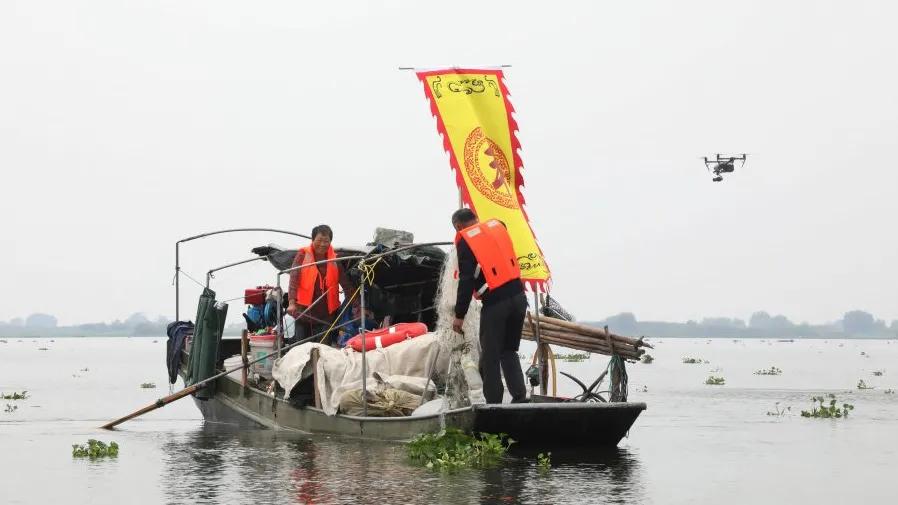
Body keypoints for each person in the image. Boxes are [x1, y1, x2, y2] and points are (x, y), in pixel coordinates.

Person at [451, 208, 528, 404]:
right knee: (509, 350)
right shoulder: (498, 227)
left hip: (496, 303)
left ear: (458, 227)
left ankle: (494, 406)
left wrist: (459, 314)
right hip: (519, 297)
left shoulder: (465, 240)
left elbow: (466, 280)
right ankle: (520, 398)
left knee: (491, 356)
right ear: (476, 218)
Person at [287, 225, 356, 346]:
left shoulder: (335, 259)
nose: (323, 244)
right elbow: (294, 278)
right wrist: (291, 303)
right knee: (301, 350)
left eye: (326, 241)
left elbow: (345, 284)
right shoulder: (302, 255)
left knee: (323, 350)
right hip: (303, 313)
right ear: (313, 240)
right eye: (319, 240)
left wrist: (358, 305)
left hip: (326, 317)